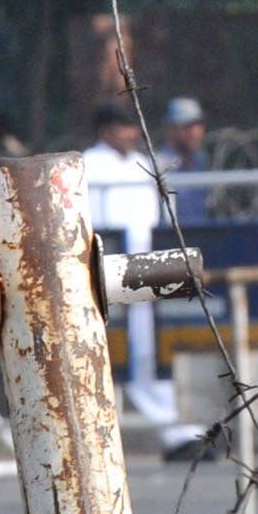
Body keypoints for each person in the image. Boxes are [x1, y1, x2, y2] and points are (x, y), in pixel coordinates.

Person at [83, 103, 169, 419]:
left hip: (146, 260)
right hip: (108, 260)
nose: (133, 134)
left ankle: (170, 423)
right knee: (109, 343)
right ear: (107, 131)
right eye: (125, 127)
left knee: (145, 346)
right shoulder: (90, 164)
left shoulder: (141, 164)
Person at [156, 95, 208, 173]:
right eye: (187, 126)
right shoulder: (156, 165)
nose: (195, 132)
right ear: (170, 129)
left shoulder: (202, 160)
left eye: (198, 125)